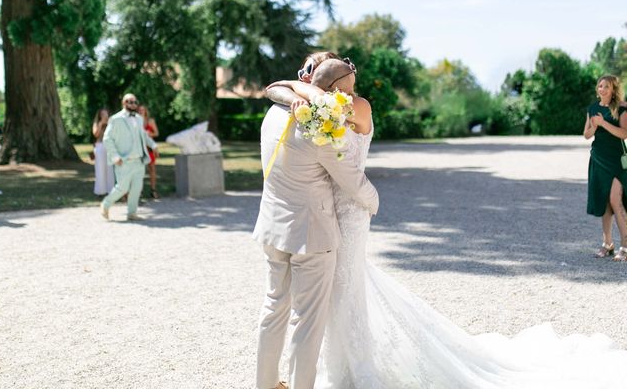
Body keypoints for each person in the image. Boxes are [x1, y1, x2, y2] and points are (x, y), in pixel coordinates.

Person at [266, 59, 627, 388]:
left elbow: (307, 106)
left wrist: (309, 93)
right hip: (330, 206)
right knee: (337, 290)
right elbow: (280, 88)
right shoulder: (323, 105)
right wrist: (309, 92)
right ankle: (336, 364)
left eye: (319, 76)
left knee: (346, 285)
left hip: (352, 206)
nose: (313, 77)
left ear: (335, 83)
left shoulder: (355, 106)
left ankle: (356, 369)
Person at [253, 58, 379, 389]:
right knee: (307, 322)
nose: (352, 97)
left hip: (272, 226)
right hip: (312, 234)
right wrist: (373, 201)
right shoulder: (320, 128)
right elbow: (350, 178)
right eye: (348, 90)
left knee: (273, 309)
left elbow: (276, 89)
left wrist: (290, 91)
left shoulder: (272, 115)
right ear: (335, 91)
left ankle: (265, 384)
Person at [584, 74, 627, 261]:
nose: (602, 89)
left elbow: (624, 134)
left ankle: (625, 246)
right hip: (598, 160)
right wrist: (594, 127)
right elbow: (586, 134)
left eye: (607, 87)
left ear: (613, 90)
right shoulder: (592, 108)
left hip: (617, 160)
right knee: (605, 203)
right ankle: (607, 244)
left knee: (616, 200)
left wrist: (604, 123)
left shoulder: (622, 108)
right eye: (600, 86)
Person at [100, 94, 158, 221]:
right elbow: (107, 139)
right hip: (123, 161)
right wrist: (115, 156)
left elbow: (143, 135)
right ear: (124, 103)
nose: (133, 104)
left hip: (139, 160)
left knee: (137, 188)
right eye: (129, 101)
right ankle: (105, 204)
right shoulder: (116, 119)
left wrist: (153, 145)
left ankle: (132, 213)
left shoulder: (138, 118)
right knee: (122, 188)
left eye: (135, 102)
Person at [138, 104, 159, 198]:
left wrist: (150, 134)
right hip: (140, 148)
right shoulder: (136, 121)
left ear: (146, 111)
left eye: (143, 110)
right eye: (140, 110)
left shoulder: (150, 121)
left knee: (152, 169)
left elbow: (156, 133)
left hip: (149, 148)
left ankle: (153, 190)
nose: (141, 111)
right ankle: (139, 190)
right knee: (140, 170)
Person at [92, 108, 115, 197]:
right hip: (100, 146)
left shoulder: (111, 123)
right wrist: (101, 123)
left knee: (110, 169)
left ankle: (111, 190)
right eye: (102, 114)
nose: (105, 116)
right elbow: (96, 134)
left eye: (106, 114)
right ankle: (100, 191)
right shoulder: (97, 124)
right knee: (100, 169)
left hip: (109, 146)